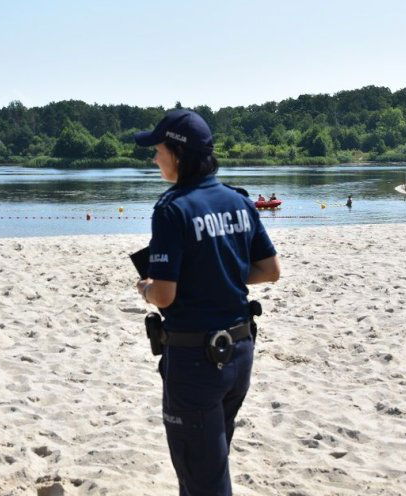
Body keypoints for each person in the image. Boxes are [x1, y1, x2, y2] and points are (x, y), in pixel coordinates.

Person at [133, 109, 281, 495]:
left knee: (204, 480)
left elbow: (164, 296)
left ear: (177, 155)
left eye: (158, 150)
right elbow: (269, 270)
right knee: (209, 465)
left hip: (197, 361)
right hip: (240, 352)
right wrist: (218, 272)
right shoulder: (238, 201)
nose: (154, 158)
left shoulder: (173, 208)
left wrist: (145, 287)